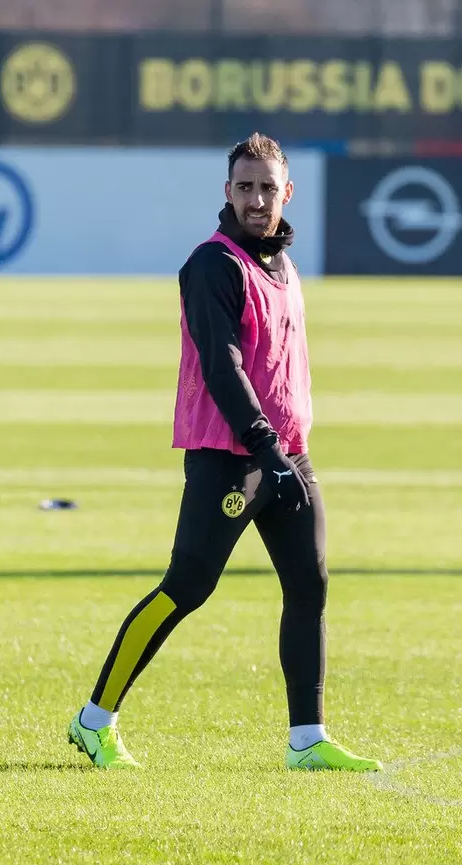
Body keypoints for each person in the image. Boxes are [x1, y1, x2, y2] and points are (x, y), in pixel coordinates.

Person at [68, 132, 382, 773]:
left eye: (268, 188)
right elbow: (222, 364)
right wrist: (264, 447)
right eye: (245, 187)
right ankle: (93, 721)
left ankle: (307, 740)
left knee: (309, 584)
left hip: (284, 452)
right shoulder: (213, 265)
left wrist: (282, 449)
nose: (257, 199)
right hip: (229, 455)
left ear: (287, 193)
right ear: (227, 191)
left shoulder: (282, 263)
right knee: (187, 586)